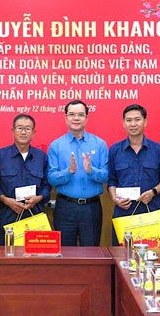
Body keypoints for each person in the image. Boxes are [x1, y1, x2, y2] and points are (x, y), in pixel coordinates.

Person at [47, 100, 109, 246]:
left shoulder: (99, 144)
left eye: (81, 115)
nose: (76, 118)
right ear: (65, 118)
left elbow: (107, 176)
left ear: (87, 118)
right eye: (72, 114)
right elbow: (51, 178)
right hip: (65, 207)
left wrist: (91, 171)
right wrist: (68, 172)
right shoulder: (56, 146)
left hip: (91, 208)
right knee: (65, 255)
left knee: (91, 254)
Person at [107, 104, 160, 244]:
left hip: (151, 213)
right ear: (123, 123)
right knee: (121, 257)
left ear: (145, 122)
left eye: (137, 119)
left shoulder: (159, 150)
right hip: (124, 213)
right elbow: (111, 180)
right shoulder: (115, 150)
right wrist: (115, 199)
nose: (133, 124)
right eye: (129, 120)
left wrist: (153, 192)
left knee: (153, 257)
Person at [0, 114, 51, 245]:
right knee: (6, 258)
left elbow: (47, 186)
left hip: (34, 216)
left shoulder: (42, 157)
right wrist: (6, 200)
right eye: (19, 128)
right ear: (13, 131)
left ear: (33, 132)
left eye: (28, 129)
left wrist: (38, 198)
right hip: (8, 215)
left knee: (34, 260)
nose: (23, 132)